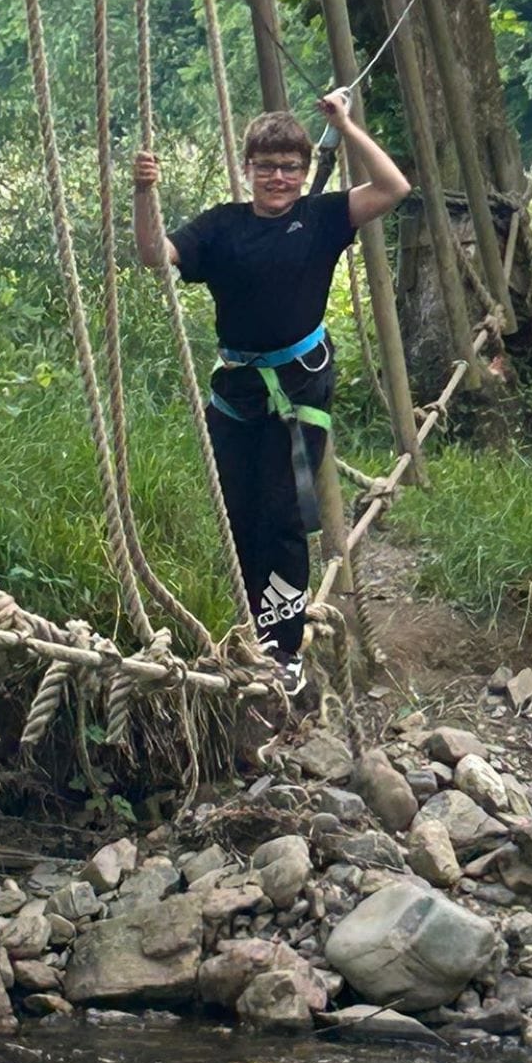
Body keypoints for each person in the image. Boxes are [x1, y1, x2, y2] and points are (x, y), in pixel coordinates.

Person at [132, 92, 411, 679]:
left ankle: (283, 650)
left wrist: (345, 126)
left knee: (282, 514)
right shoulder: (222, 226)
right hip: (236, 391)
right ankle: (249, 626)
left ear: (304, 171)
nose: (278, 178)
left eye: (289, 167)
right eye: (266, 167)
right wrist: (143, 193)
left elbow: (393, 188)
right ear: (248, 169)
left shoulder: (321, 218)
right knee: (238, 512)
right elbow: (156, 254)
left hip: (300, 387)